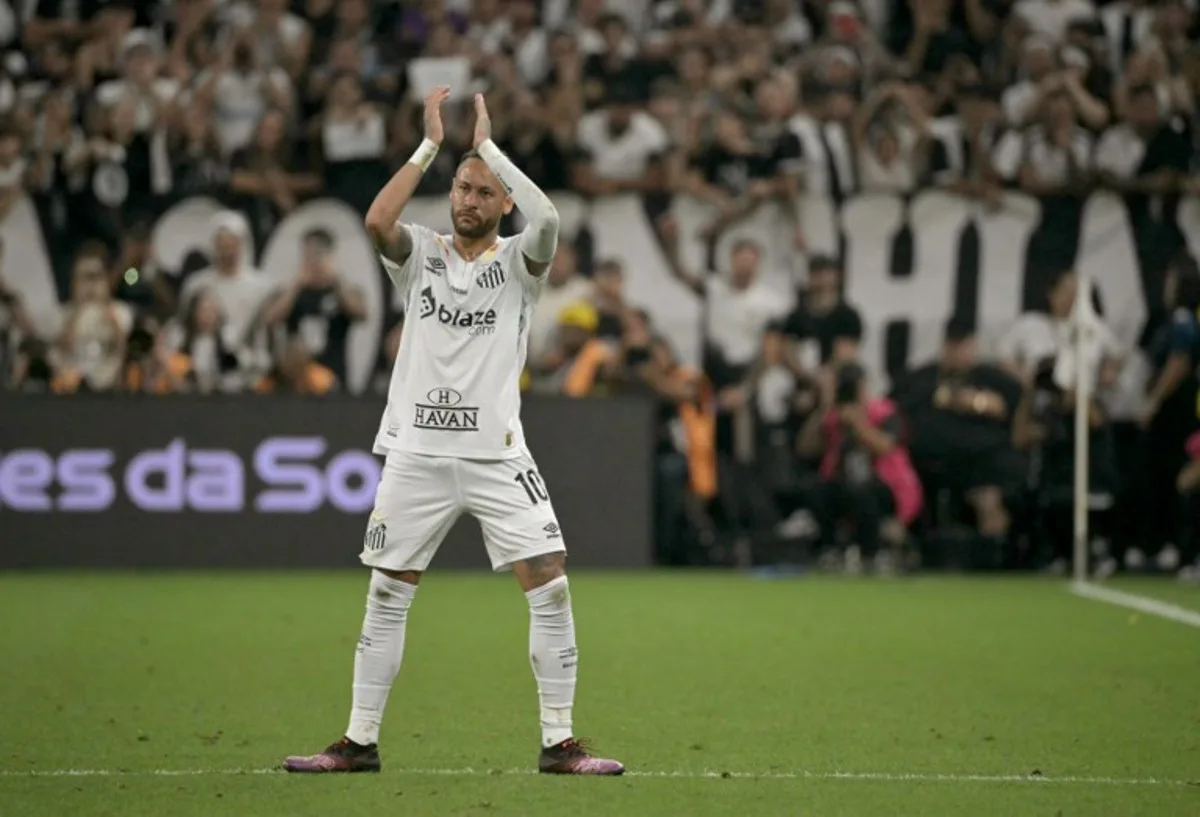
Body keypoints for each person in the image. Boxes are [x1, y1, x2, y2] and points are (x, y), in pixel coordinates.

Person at [283, 89, 624, 777]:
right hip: (417, 452)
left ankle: (559, 742)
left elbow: (550, 215)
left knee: (551, 584)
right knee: (388, 589)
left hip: (497, 455)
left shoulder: (521, 265)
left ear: (503, 204)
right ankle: (359, 739)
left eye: (483, 191)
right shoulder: (420, 254)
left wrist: (491, 147)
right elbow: (377, 218)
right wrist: (432, 144)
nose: (467, 199)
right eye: (462, 187)